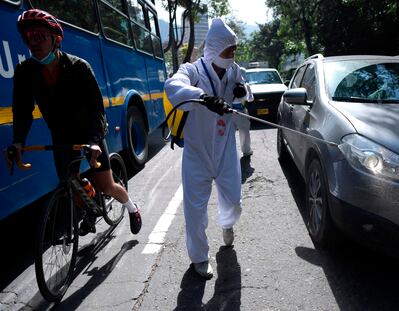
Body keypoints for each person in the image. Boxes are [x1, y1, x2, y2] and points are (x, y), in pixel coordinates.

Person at [9, 9, 142, 236]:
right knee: (70, 182)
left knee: (106, 185)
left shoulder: (79, 67)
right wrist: (18, 141)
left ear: (56, 39)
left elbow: (96, 109)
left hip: (91, 131)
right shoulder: (25, 71)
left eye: (39, 36)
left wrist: (94, 141)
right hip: (61, 134)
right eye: (29, 38)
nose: (33, 42)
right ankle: (90, 208)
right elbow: (22, 110)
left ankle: (132, 207)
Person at [164, 18, 249, 279]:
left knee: (234, 199)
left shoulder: (234, 70)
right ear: (213, 49)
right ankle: (199, 258)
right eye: (227, 51)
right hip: (197, 153)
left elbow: (247, 93)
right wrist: (202, 97)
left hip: (225, 149)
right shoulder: (192, 71)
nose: (231, 56)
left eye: (234, 50)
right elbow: (172, 87)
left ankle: (227, 224)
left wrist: (241, 91)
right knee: (195, 210)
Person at [233, 67, 254, 157]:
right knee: (244, 132)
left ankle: (230, 151)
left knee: (228, 133)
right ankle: (246, 151)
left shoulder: (229, 85)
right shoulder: (246, 85)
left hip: (229, 111)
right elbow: (250, 99)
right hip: (241, 111)